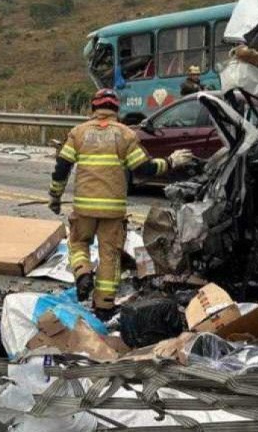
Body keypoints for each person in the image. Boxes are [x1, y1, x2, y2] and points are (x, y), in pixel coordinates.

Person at [48, 89, 193, 317]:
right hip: (113, 210)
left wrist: (55, 197)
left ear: (93, 109)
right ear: (116, 110)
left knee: (78, 244)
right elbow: (144, 169)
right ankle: (104, 306)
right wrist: (171, 161)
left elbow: (61, 169)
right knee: (110, 256)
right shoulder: (125, 135)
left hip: (84, 208)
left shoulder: (78, 133)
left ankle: (82, 272)